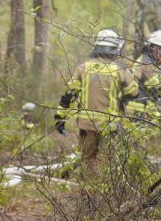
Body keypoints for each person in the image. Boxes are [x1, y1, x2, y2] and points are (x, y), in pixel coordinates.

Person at [55, 28, 136, 163]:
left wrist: (60, 117)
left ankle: (87, 177)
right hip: (110, 126)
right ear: (115, 49)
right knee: (106, 162)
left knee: (87, 160)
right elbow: (133, 94)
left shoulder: (83, 68)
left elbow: (69, 95)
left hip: (86, 125)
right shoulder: (121, 70)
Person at [126, 29, 161, 119]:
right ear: (153, 48)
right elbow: (158, 89)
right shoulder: (146, 64)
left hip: (138, 109)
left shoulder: (146, 60)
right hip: (138, 111)